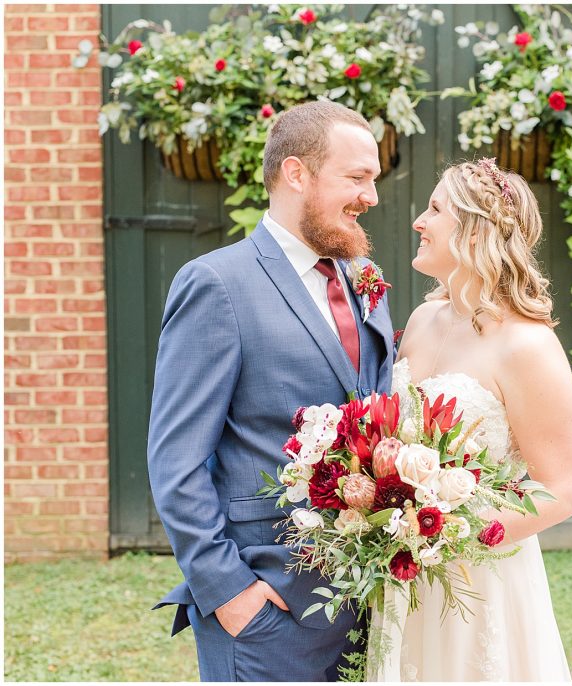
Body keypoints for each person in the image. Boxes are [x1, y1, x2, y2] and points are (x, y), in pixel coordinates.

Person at [147, 101, 395, 681]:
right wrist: (231, 593)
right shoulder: (217, 285)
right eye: (356, 178)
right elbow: (175, 460)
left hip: (367, 601)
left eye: (374, 180)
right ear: (296, 173)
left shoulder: (362, 280)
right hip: (267, 608)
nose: (372, 198)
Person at [371, 159, 572, 681]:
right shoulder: (422, 319)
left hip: (479, 577)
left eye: (435, 209)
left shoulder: (527, 345)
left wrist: (451, 538)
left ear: (474, 231)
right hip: (403, 571)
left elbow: (561, 489)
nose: (419, 221)